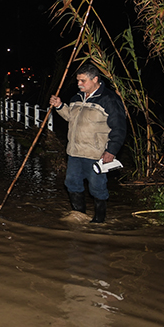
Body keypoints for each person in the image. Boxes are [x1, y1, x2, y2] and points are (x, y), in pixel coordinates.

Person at [49, 63, 126, 223]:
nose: (79, 84)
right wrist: (60, 106)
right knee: (71, 184)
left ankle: (99, 220)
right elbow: (71, 117)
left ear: (95, 79)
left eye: (83, 81)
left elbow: (119, 127)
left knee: (97, 188)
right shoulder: (76, 98)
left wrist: (111, 151)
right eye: (78, 80)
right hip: (74, 153)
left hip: (95, 155)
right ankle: (79, 215)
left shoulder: (109, 99)